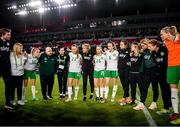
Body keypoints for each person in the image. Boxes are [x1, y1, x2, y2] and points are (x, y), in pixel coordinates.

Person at [160, 26, 180, 125]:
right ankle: (176, 113)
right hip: (171, 67)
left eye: (162, 34)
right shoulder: (166, 42)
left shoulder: (178, 37)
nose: (161, 36)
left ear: (167, 33)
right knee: (173, 90)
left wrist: (175, 35)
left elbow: (176, 38)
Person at [148, 39, 172, 115]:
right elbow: (156, 62)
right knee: (164, 90)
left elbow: (167, 61)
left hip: (166, 73)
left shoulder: (164, 49)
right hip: (159, 74)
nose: (149, 48)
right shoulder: (153, 52)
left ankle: (168, 107)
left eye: (150, 46)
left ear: (155, 46)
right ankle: (167, 107)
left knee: (167, 90)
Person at [140, 38, 159, 110]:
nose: (142, 47)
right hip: (147, 71)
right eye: (141, 46)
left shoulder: (154, 51)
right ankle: (142, 103)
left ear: (147, 44)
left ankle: (154, 103)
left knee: (155, 88)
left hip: (154, 71)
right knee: (144, 87)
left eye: (143, 45)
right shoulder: (144, 52)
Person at [0, 28, 14, 109]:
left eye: (10, 34)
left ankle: (8, 103)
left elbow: (14, 50)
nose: (10, 36)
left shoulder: (9, 42)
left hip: (6, 68)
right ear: (2, 34)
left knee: (9, 85)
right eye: (8, 34)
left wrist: (24, 52)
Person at [128, 42, 144, 108]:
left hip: (139, 74)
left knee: (141, 88)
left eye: (132, 46)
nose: (131, 47)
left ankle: (142, 101)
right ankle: (133, 100)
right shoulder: (131, 54)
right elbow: (130, 63)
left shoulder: (141, 54)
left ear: (136, 47)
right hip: (132, 74)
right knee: (133, 88)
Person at [118, 41, 131, 105]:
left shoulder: (129, 51)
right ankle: (128, 97)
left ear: (125, 45)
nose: (120, 45)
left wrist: (129, 63)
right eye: (120, 44)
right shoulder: (120, 51)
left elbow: (132, 59)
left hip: (126, 70)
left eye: (121, 44)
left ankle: (124, 97)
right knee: (123, 84)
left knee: (126, 84)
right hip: (120, 70)